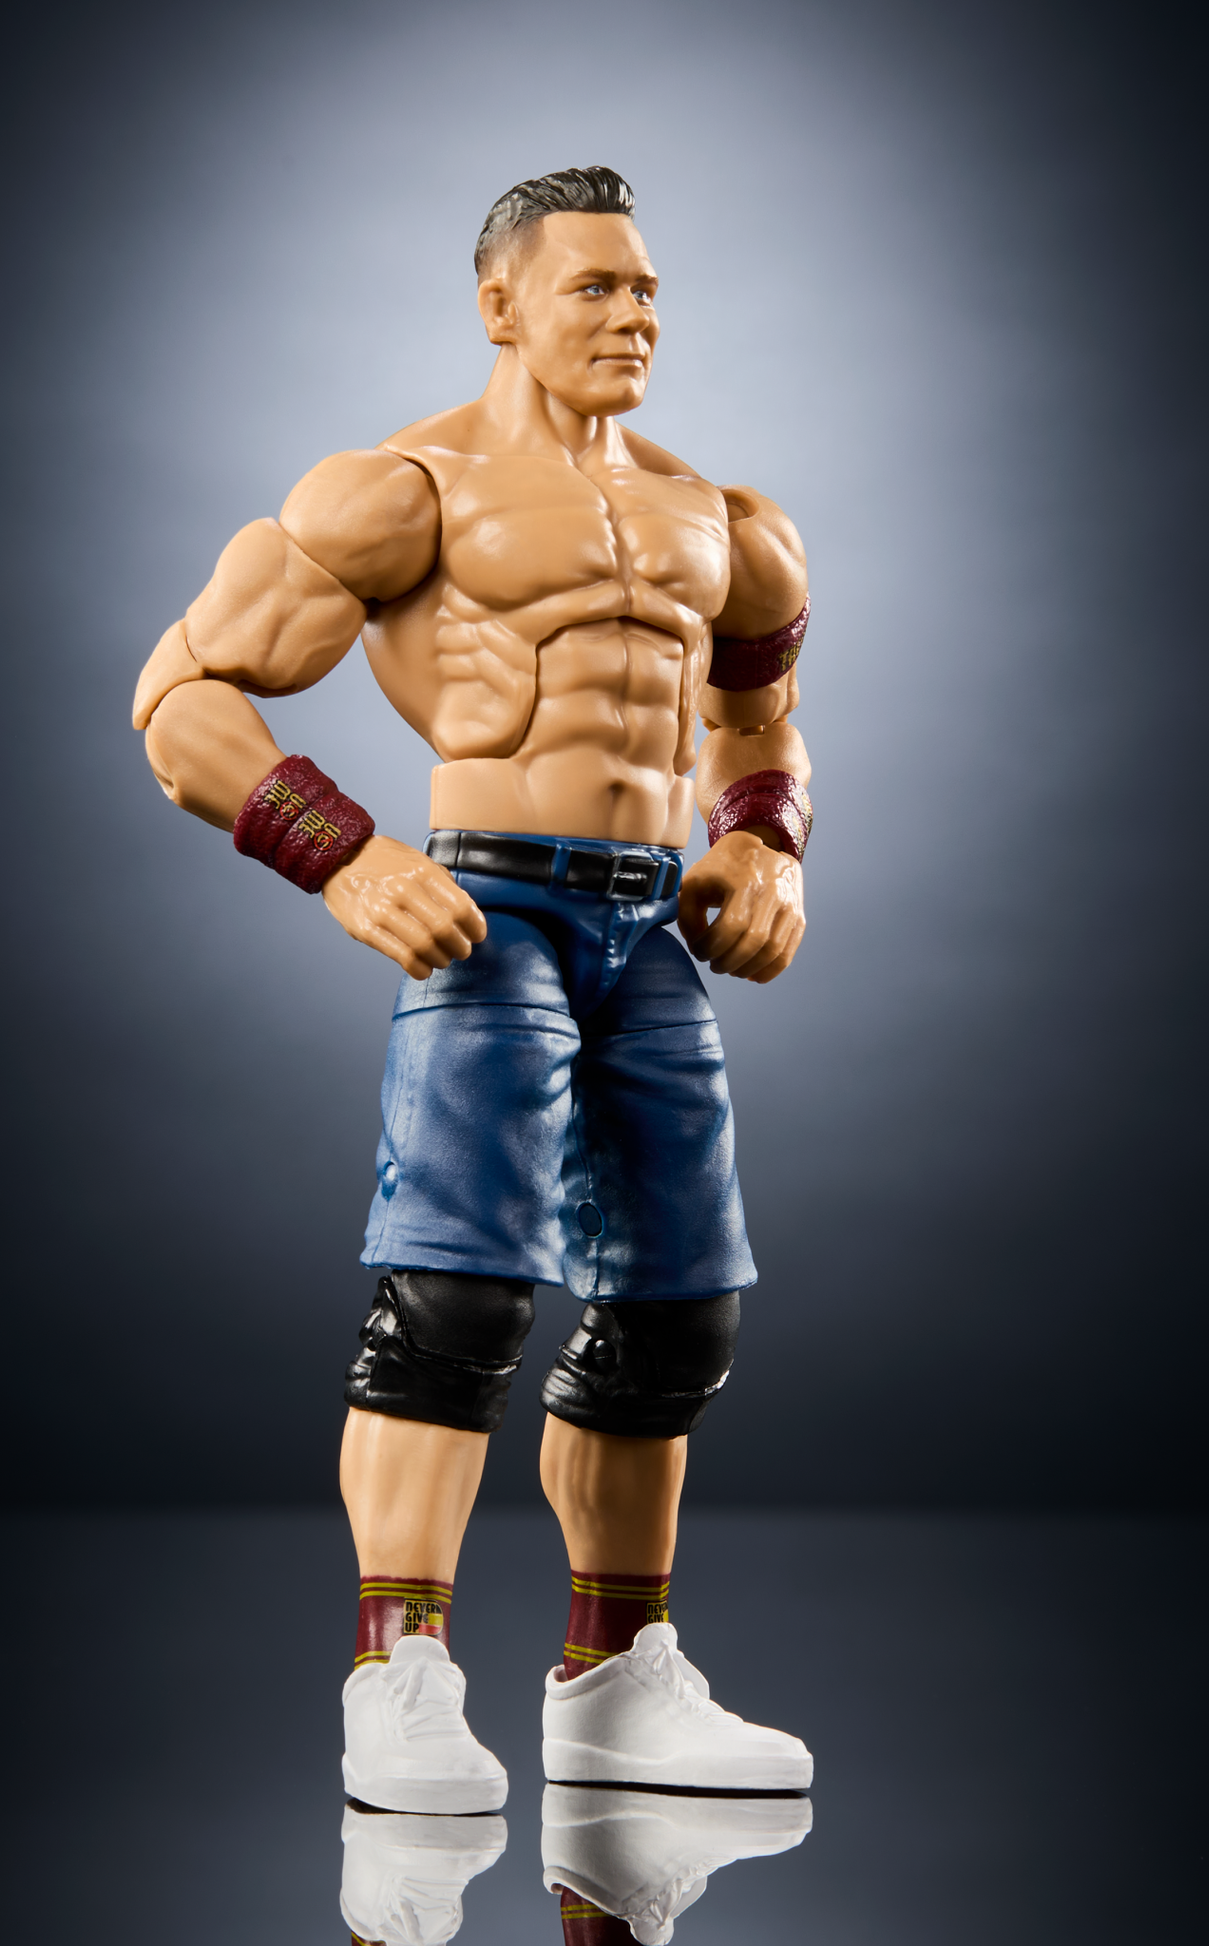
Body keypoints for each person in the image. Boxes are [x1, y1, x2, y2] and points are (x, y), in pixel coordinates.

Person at [132, 167, 816, 1833]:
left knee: (677, 1315)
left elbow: (756, 726)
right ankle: (400, 1670)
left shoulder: (721, 520)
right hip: (487, 914)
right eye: (591, 286)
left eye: (645, 288)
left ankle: (615, 1674)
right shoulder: (402, 493)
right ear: (500, 305)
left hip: (650, 929)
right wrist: (344, 855)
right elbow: (179, 694)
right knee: (453, 1299)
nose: (631, 314)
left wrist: (765, 848)